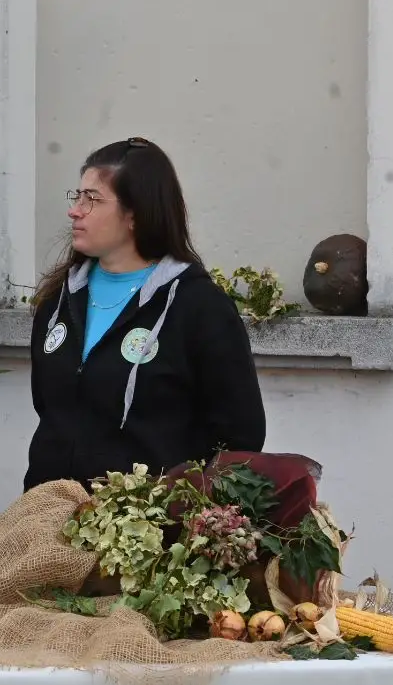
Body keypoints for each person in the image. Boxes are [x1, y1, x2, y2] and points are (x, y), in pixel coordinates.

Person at [25, 136, 264, 491]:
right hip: (47, 512)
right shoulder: (59, 299)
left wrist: (179, 503)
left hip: (148, 520)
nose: (75, 210)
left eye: (92, 199)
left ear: (135, 213)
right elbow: (49, 407)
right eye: (77, 196)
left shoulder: (198, 306)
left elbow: (239, 436)